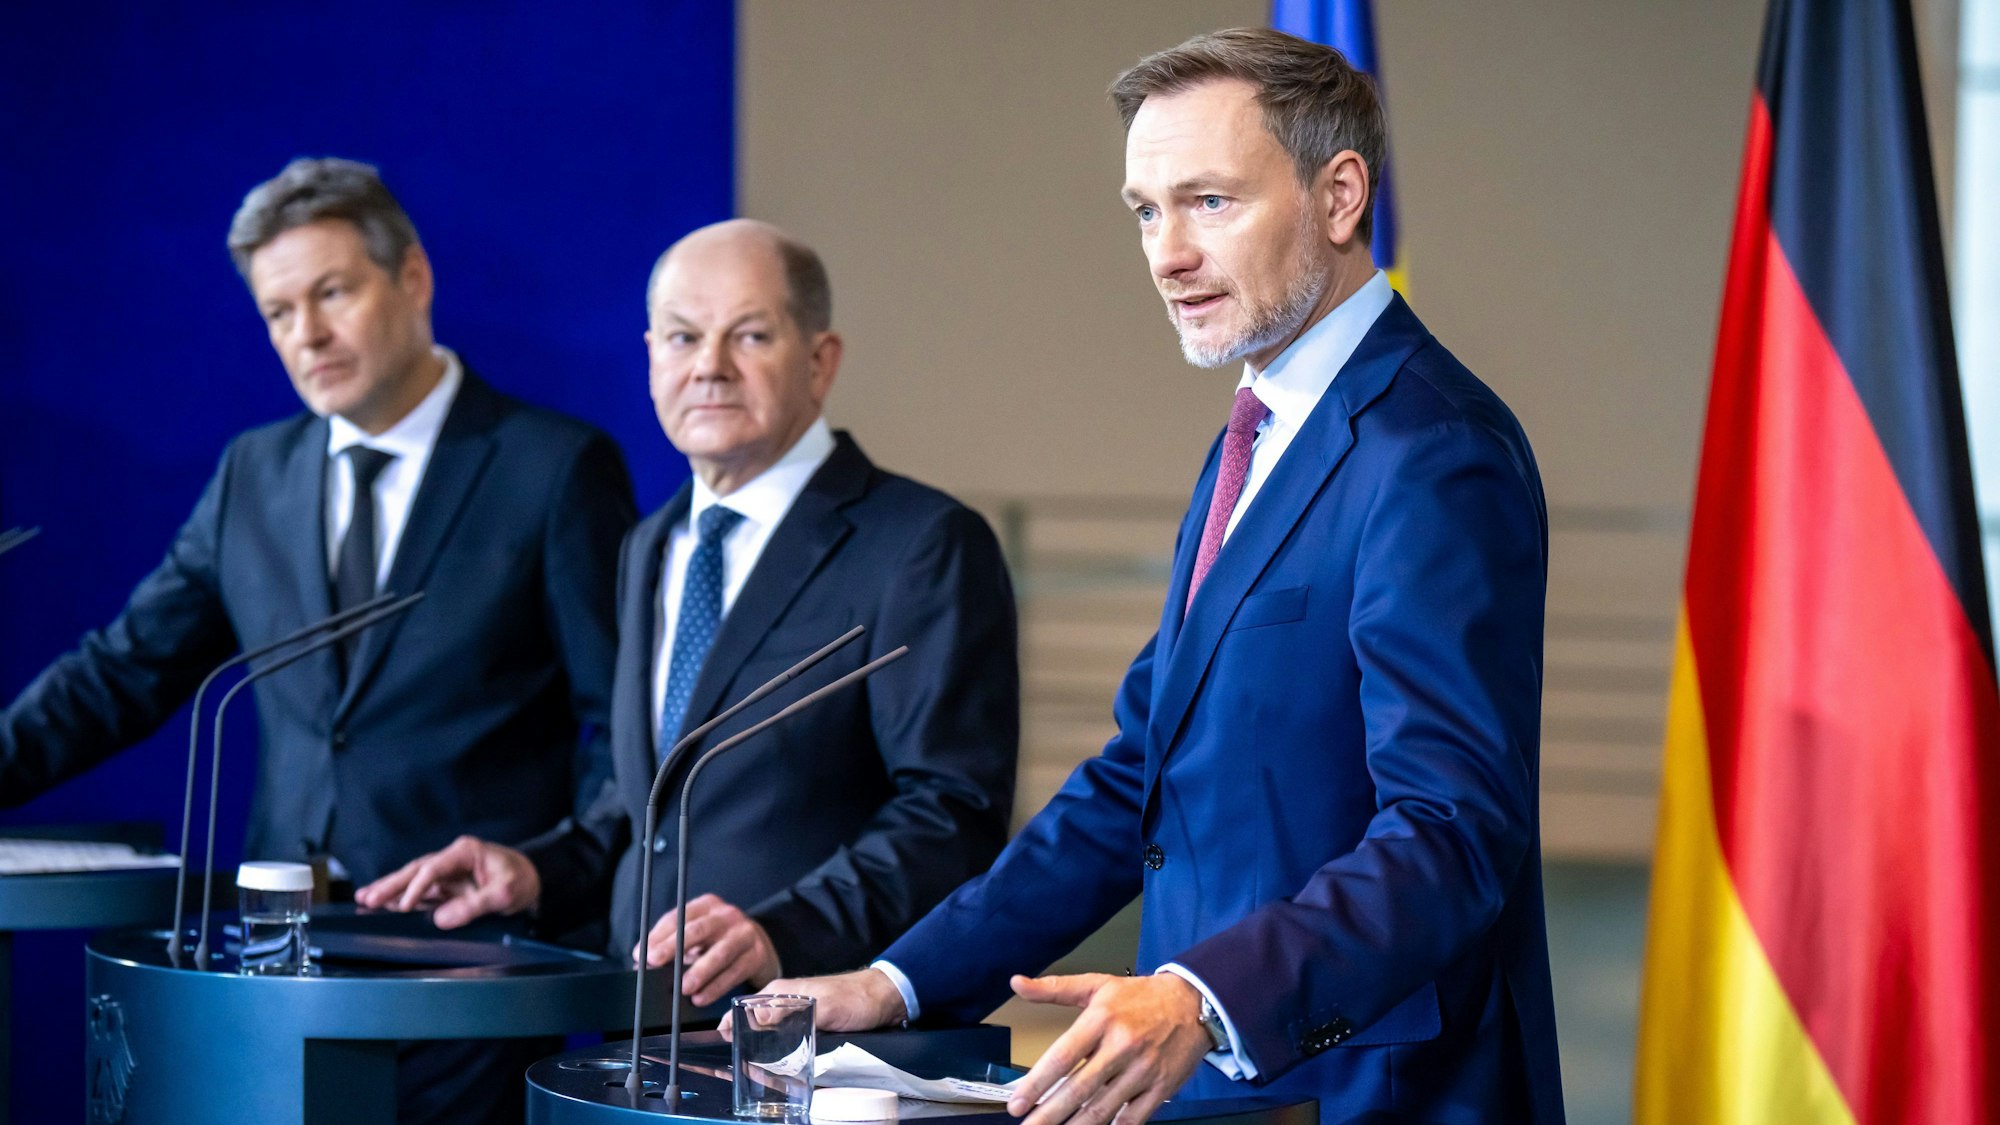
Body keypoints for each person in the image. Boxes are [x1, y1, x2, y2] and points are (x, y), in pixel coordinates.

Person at [752, 29, 1565, 1125]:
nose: (1165, 253)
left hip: (1367, 1090)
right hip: (1202, 1088)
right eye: (1144, 210)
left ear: (1337, 196)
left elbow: (1451, 829)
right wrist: (893, 981)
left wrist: (1204, 993)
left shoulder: (1432, 451)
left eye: (1208, 202)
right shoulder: (1254, 433)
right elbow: (1137, 781)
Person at [0, 157, 636, 1124]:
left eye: (332, 292)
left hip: (465, 969)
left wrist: (546, 868)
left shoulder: (553, 467)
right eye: (278, 311)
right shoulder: (256, 470)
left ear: (412, 276)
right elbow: (123, 669)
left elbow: (621, 726)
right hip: (272, 975)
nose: (308, 335)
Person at [359, 219, 1019, 1011]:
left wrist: (783, 930)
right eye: (681, 338)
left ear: (819, 360)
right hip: (641, 1037)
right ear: (650, 358)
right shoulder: (651, 543)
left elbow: (952, 812)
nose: (709, 366)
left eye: (749, 335)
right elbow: (652, 802)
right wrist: (538, 870)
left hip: (814, 1039)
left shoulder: (921, 543)